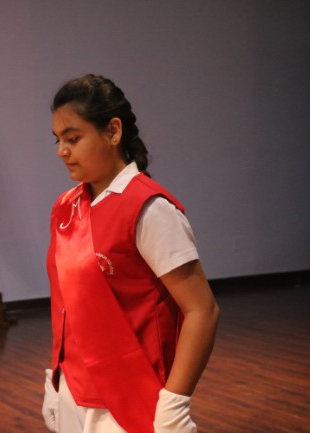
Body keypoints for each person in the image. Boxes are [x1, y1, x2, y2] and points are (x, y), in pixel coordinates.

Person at [42, 74, 220, 433]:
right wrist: (56, 381)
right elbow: (66, 307)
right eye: (58, 140)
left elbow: (202, 310)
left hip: (132, 399)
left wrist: (175, 403)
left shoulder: (149, 209)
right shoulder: (65, 206)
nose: (62, 151)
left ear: (113, 131)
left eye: (73, 139)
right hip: (73, 393)